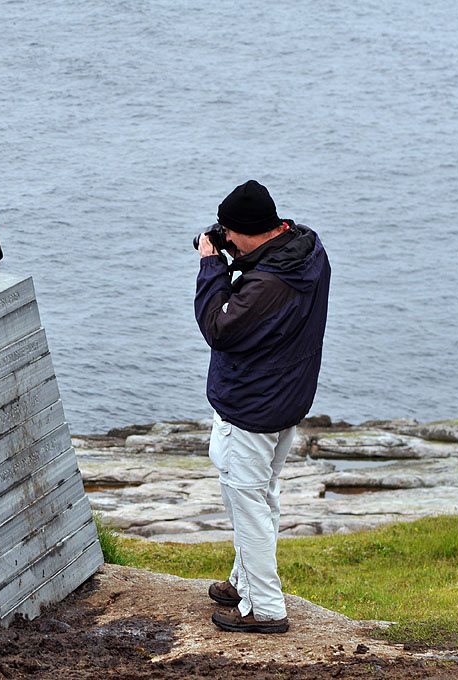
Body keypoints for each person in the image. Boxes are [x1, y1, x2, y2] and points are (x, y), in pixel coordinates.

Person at [194, 179, 330, 634]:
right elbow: (269, 298)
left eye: (231, 233)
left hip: (250, 407)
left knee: (247, 502)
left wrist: (212, 266)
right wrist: (236, 255)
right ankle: (244, 582)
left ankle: (266, 608)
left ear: (249, 232)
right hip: (285, 399)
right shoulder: (307, 251)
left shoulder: (267, 284)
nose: (226, 238)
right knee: (262, 494)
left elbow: (219, 327)